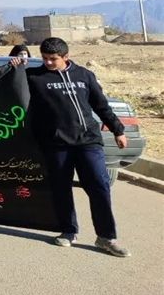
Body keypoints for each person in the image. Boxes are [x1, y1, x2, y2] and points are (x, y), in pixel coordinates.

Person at [12, 38, 130, 257]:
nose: (48, 63)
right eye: (45, 58)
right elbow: (10, 88)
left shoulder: (84, 75)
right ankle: (68, 231)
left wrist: (118, 130)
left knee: (99, 186)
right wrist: (15, 64)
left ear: (65, 57)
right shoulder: (34, 77)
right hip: (56, 144)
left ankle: (106, 237)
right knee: (61, 189)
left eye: (53, 59)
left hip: (88, 141)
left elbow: (101, 105)